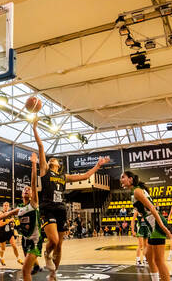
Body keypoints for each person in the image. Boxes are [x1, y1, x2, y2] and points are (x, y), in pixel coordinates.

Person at [33, 118, 110, 280]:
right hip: (48, 208)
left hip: (61, 210)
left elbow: (85, 175)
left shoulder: (64, 176)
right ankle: (46, 255)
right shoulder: (45, 171)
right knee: (53, 240)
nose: (52, 159)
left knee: (60, 245)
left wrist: (98, 165)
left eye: (55, 159)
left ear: (58, 165)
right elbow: (41, 146)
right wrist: (34, 127)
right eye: (50, 158)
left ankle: (53, 274)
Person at [0, 152, 42, 281]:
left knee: (25, 271)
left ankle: (36, 266)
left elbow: (33, 182)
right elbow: (9, 213)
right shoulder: (20, 207)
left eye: (29, 189)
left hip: (35, 240)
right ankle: (37, 266)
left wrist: (33, 164)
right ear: (21, 194)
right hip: (25, 240)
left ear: (32, 194)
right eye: (24, 189)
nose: (27, 189)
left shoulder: (33, 203)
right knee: (28, 267)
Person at [120, 171, 171, 281]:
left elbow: (152, 208)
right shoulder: (135, 191)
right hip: (152, 226)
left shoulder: (137, 191)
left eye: (123, 177)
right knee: (148, 255)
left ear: (130, 179)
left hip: (157, 224)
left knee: (159, 260)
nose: (121, 179)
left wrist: (163, 226)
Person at [0, 202, 23, 266]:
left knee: (14, 245)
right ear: (3, 206)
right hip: (2, 232)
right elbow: (0, 224)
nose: (6, 206)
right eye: (5, 205)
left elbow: (12, 223)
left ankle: (18, 258)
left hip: (9, 232)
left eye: (7, 205)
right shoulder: (1, 213)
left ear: (9, 206)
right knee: (3, 249)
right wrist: (9, 220)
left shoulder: (10, 214)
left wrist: (12, 224)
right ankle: (1, 258)